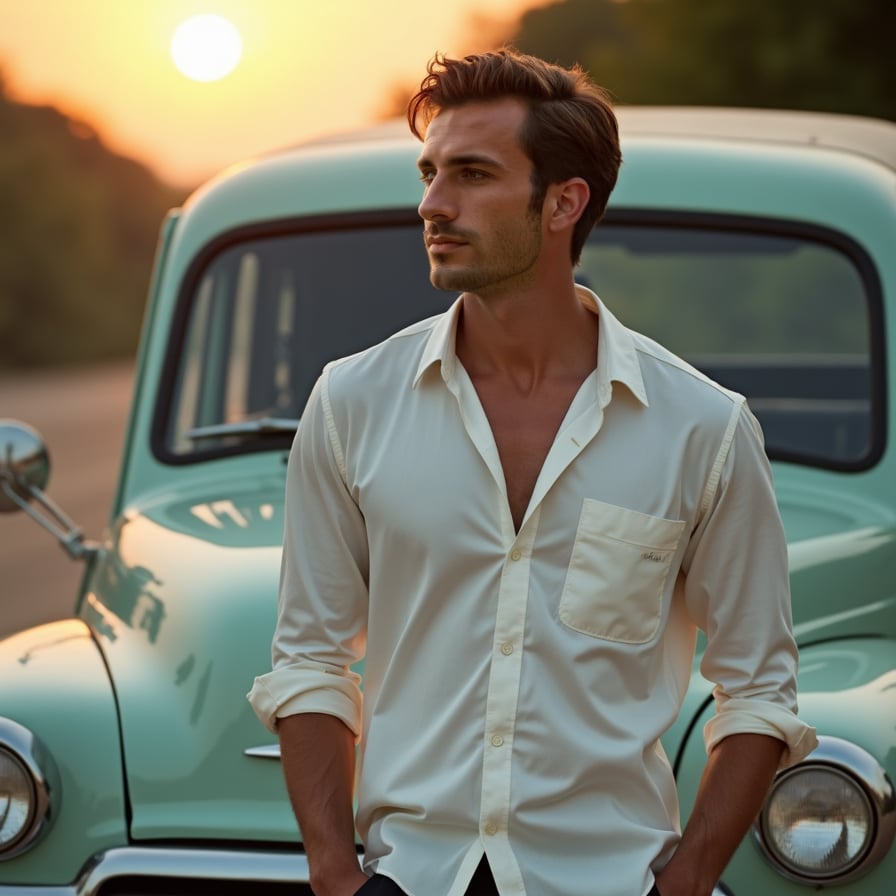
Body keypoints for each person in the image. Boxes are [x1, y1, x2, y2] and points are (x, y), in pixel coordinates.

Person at [248, 49, 817, 896]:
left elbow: (759, 688)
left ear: (564, 202)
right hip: (412, 877)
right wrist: (334, 875)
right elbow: (310, 660)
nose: (433, 205)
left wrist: (690, 880)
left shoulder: (702, 427)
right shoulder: (352, 403)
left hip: (607, 878)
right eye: (431, 173)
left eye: (473, 175)